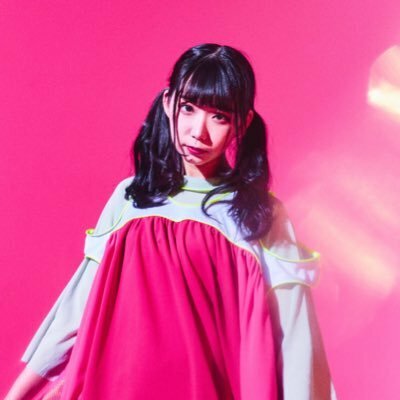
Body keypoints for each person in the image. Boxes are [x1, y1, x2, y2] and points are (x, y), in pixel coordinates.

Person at [5, 43, 337, 399]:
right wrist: (17, 395)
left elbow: (295, 336)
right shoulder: (131, 197)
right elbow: (77, 311)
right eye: (188, 108)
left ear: (242, 123)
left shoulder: (258, 213)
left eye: (219, 116)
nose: (198, 131)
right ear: (168, 103)